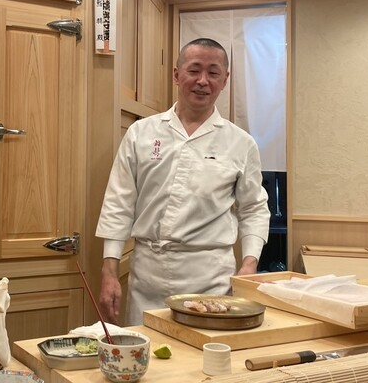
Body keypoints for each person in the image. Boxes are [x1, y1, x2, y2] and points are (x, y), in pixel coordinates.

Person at [96, 37, 270, 326]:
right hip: (148, 273)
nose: (203, 81)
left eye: (213, 73)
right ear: (177, 75)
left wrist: (250, 262)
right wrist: (109, 269)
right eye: (194, 70)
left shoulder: (241, 143)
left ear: (225, 80)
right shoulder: (141, 133)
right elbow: (119, 201)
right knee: (147, 347)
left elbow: (253, 208)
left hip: (210, 277)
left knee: (204, 349)